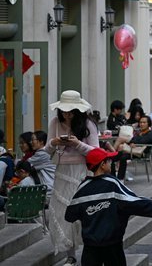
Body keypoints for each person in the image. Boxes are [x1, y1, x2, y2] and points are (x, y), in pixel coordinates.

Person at [65, 148, 152, 266]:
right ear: (102, 165)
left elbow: (69, 215)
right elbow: (133, 201)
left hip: (90, 246)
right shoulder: (112, 184)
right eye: (109, 160)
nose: (111, 163)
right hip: (113, 245)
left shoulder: (83, 187)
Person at [45, 90, 100, 264]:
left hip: (82, 172)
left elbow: (96, 151)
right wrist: (54, 142)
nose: (66, 115)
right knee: (63, 212)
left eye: (70, 112)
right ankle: (71, 255)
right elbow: (47, 150)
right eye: (64, 111)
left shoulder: (88, 124)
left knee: (84, 211)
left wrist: (77, 144)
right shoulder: (55, 123)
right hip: (62, 172)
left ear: (78, 111)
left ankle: (89, 253)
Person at [113, 115, 152, 181]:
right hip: (134, 151)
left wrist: (134, 143)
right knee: (114, 156)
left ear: (148, 124)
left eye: (144, 122)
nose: (142, 124)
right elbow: (133, 139)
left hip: (141, 153)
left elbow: (142, 141)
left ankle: (120, 179)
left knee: (123, 157)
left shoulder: (150, 133)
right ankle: (113, 176)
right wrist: (132, 142)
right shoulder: (140, 132)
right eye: (141, 122)